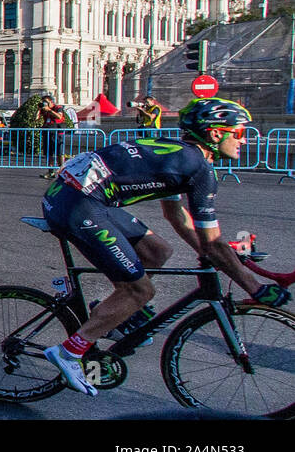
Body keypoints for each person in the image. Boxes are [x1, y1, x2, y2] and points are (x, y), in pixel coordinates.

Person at [41, 98, 290, 397]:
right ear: (214, 134)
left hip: (80, 196)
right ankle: (70, 352)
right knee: (140, 291)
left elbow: (175, 216)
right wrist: (257, 288)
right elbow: (212, 243)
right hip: (77, 205)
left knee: (158, 252)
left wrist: (213, 251)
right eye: (237, 132)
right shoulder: (199, 169)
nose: (244, 139)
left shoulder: (181, 155)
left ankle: (113, 313)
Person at [37, 95, 67, 179]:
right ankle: (51, 172)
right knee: (49, 154)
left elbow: (59, 116)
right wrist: (39, 109)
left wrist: (49, 110)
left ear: (51, 101)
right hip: (47, 133)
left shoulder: (58, 108)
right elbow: (36, 119)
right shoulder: (44, 110)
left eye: (46, 102)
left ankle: (63, 172)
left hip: (57, 133)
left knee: (59, 153)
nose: (44, 103)